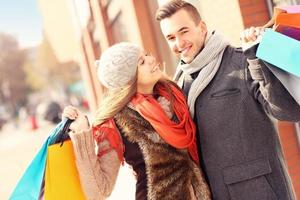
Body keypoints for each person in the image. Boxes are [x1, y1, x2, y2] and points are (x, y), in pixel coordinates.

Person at [155, 1, 300, 200]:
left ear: (202, 28)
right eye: (171, 37)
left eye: (184, 31)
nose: (179, 43)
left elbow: (287, 111)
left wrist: (256, 57)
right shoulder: (179, 84)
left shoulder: (242, 61)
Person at [62, 42, 211, 200]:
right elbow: (99, 191)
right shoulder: (118, 123)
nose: (151, 59)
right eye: (141, 62)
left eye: (146, 55)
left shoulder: (174, 97)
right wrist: (82, 133)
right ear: (128, 79)